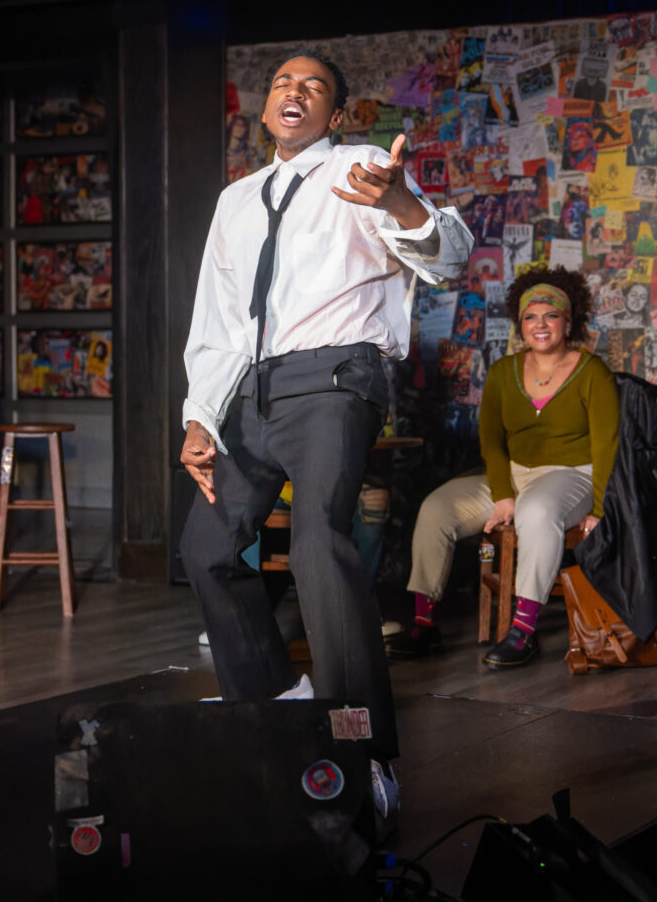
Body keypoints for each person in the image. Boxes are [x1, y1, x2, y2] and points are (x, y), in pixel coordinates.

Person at [179, 49, 472, 818]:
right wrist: (199, 416)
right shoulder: (235, 201)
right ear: (265, 106)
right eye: (282, 82)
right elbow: (216, 320)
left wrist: (404, 203)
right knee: (206, 551)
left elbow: (449, 259)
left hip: (339, 377)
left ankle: (362, 751)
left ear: (336, 114)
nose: (293, 93)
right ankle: (275, 703)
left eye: (313, 87)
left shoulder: (367, 166)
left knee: (317, 542)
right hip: (253, 388)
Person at [386, 266, 618, 668]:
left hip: (571, 476)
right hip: (512, 476)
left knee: (538, 510)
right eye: (531, 316)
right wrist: (503, 495)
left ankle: (523, 631)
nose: (540, 325)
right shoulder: (502, 372)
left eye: (550, 315)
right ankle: (425, 623)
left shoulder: (592, 372)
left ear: (568, 320)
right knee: (436, 509)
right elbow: (491, 442)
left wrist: (600, 508)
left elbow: (607, 445)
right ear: (520, 323)